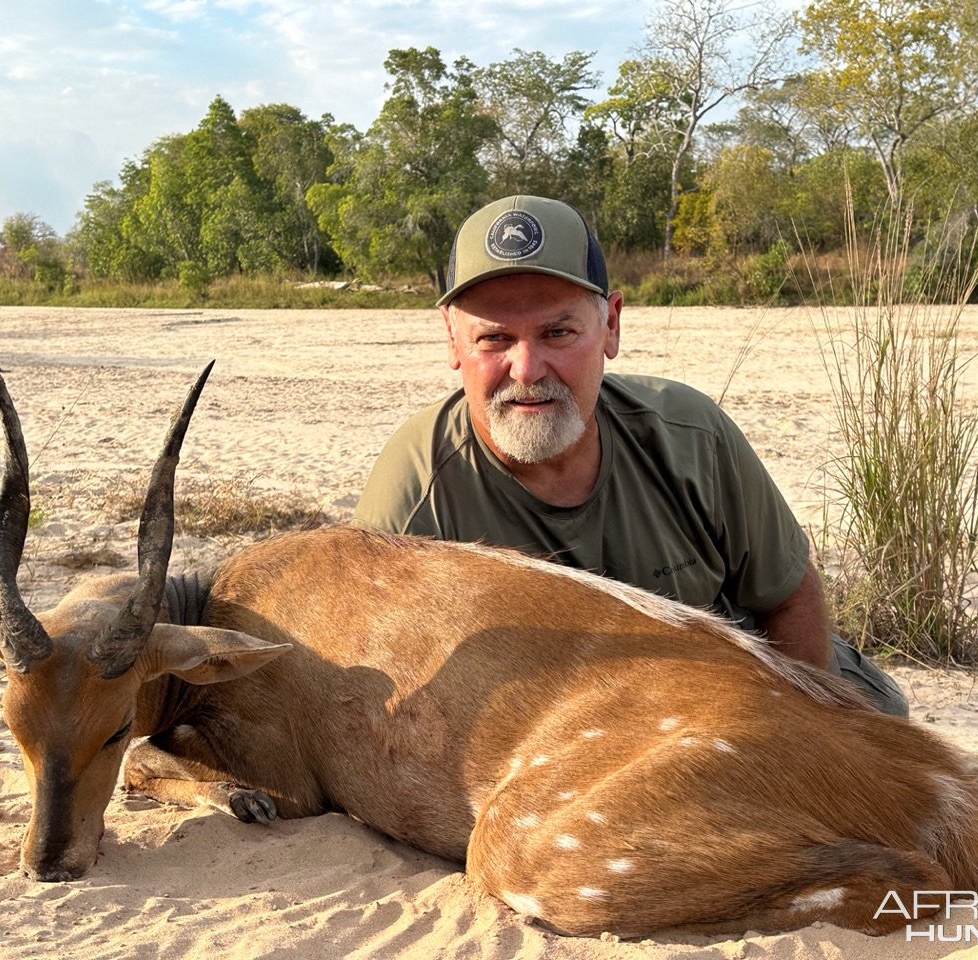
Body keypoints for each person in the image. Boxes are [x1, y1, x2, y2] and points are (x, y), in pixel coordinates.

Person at [353, 194, 907, 717]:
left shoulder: (691, 434)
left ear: (611, 325)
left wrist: (793, 738)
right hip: (551, 731)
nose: (526, 370)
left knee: (878, 721)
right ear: (453, 341)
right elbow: (371, 686)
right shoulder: (413, 496)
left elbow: (789, 597)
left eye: (558, 332)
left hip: (729, 689)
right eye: (495, 339)